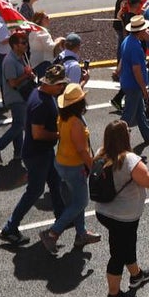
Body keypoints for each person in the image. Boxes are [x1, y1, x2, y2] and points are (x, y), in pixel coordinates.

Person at [94, 121, 149, 297]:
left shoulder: (101, 153)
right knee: (118, 254)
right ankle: (113, 296)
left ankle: (136, 275)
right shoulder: (130, 160)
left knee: (127, 244)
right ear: (125, 137)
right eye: (129, 131)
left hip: (104, 211)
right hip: (123, 216)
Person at [0, 65, 69, 246]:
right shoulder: (41, 103)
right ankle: (10, 228)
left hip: (43, 152)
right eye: (60, 85)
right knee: (35, 191)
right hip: (37, 154)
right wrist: (58, 135)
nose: (62, 88)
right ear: (51, 84)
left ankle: (61, 217)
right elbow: (37, 133)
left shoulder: (41, 94)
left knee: (55, 182)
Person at [39, 83, 103, 254]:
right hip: (73, 167)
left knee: (74, 201)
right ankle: (52, 233)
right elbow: (82, 150)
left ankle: (81, 234)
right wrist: (94, 169)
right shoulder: (76, 123)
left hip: (61, 162)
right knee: (81, 202)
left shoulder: (64, 117)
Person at [0, 32, 35, 163]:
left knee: (18, 125)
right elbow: (12, 82)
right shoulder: (9, 61)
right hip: (16, 97)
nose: (26, 45)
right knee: (20, 125)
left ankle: (18, 153)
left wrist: (29, 74)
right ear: (15, 45)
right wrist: (26, 75)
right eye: (23, 43)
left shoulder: (21, 57)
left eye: (26, 42)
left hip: (22, 96)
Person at [119, 15, 149, 146]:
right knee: (127, 116)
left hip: (128, 82)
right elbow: (136, 70)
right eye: (146, 29)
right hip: (134, 85)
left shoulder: (128, 40)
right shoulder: (136, 47)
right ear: (141, 31)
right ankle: (117, 142)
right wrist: (144, 88)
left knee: (139, 112)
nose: (148, 30)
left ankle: (148, 135)